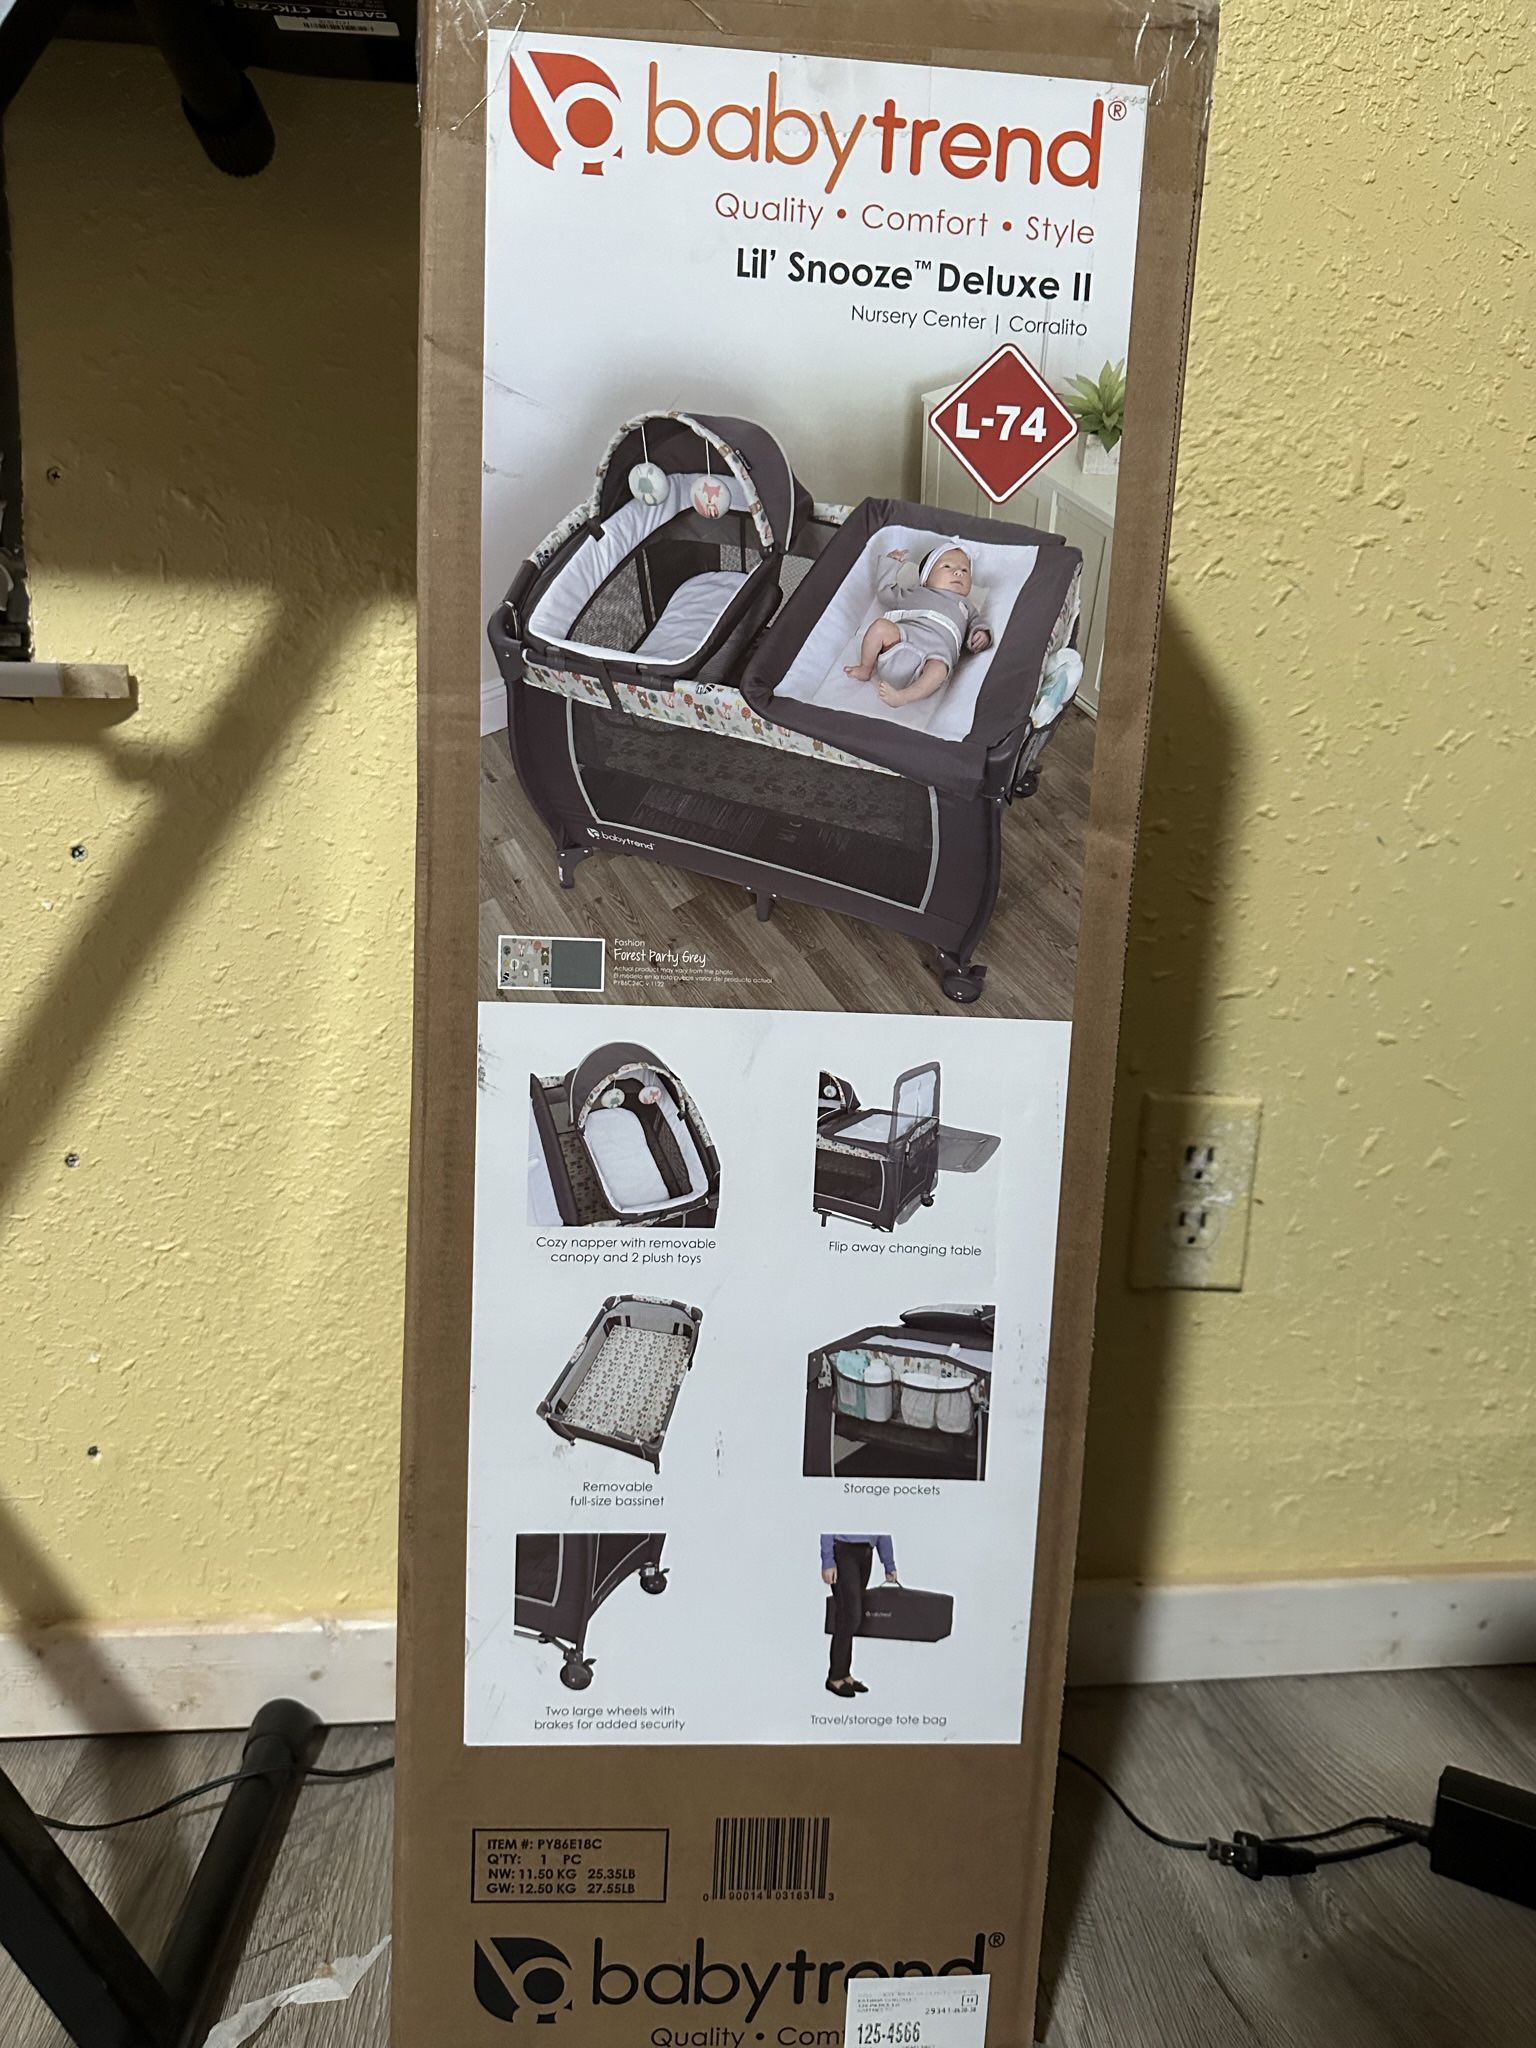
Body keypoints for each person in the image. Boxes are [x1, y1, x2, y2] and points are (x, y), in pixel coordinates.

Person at [843, 542, 992, 707]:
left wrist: (981, 634)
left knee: (939, 669)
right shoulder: (914, 593)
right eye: (947, 566)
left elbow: (977, 623)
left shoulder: (966, 606)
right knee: (880, 626)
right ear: (926, 578)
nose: (958, 572)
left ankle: (904, 696)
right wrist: (891, 564)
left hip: (935, 653)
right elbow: (886, 591)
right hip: (901, 639)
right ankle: (866, 668)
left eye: (965, 570)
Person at [821, 1534, 898, 1698]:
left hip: (866, 1552)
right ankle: (835, 1677)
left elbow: (883, 1527)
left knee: (850, 1617)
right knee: (849, 1616)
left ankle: (844, 1673)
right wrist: (828, 1561)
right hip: (844, 1550)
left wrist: (889, 1563)